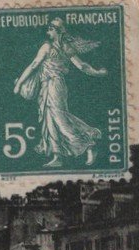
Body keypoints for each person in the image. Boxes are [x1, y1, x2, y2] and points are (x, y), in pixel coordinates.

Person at [13, 17, 107, 168]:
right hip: (47, 85)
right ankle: (57, 156)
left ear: (58, 31)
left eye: (52, 27)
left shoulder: (51, 47)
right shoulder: (61, 47)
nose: (48, 29)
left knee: (59, 117)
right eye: (49, 26)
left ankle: (89, 144)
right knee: (50, 119)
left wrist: (19, 84)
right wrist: (98, 73)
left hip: (55, 85)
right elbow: (81, 66)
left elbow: (34, 65)